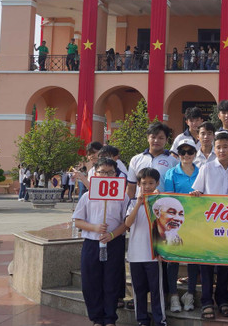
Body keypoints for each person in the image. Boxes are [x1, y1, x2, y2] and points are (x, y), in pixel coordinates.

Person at [73, 158, 130, 326]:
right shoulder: (87, 196)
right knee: (91, 282)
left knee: (111, 281)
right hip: (92, 244)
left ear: (116, 174)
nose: (106, 176)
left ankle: (110, 318)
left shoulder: (122, 196)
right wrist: (94, 227)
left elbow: (126, 222)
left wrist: (112, 235)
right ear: (95, 174)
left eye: (110, 172)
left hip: (114, 243)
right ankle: (97, 318)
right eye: (102, 172)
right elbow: (77, 221)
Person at [191, 132, 228, 319]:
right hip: (208, 224)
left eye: (225, 147)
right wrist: (196, 194)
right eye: (218, 147)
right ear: (214, 148)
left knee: (225, 264)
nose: (221, 150)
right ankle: (206, 301)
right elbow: (197, 190)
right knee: (207, 264)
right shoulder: (206, 168)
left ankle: (223, 299)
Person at [124, 167, 167, 326]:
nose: (147, 186)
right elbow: (128, 223)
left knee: (156, 291)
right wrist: (139, 203)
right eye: (144, 183)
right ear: (138, 184)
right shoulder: (133, 202)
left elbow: (164, 228)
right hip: (135, 255)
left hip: (153, 256)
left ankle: (160, 320)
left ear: (157, 183)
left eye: (151, 183)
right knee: (139, 291)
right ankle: (142, 320)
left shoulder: (161, 202)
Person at [162, 139, 200, 312]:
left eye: (190, 152)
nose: (186, 155)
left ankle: (190, 293)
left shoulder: (201, 171)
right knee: (173, 259)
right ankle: (174, 295)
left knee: (193, 258)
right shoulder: (171, 173)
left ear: (195, 153)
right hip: (175, 222)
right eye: (182, 152)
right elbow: (170, 199)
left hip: (195, 222)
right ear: (178, 154)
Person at [127, 122, 178, 198]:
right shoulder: (136, 160)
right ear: (148, 138)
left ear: (166, 140)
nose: (156, 141)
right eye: (153, 137)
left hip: (163, 206)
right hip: (140, 205)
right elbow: (131, 187)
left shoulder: (173, 161)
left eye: (161, 138)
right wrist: (129, 206)